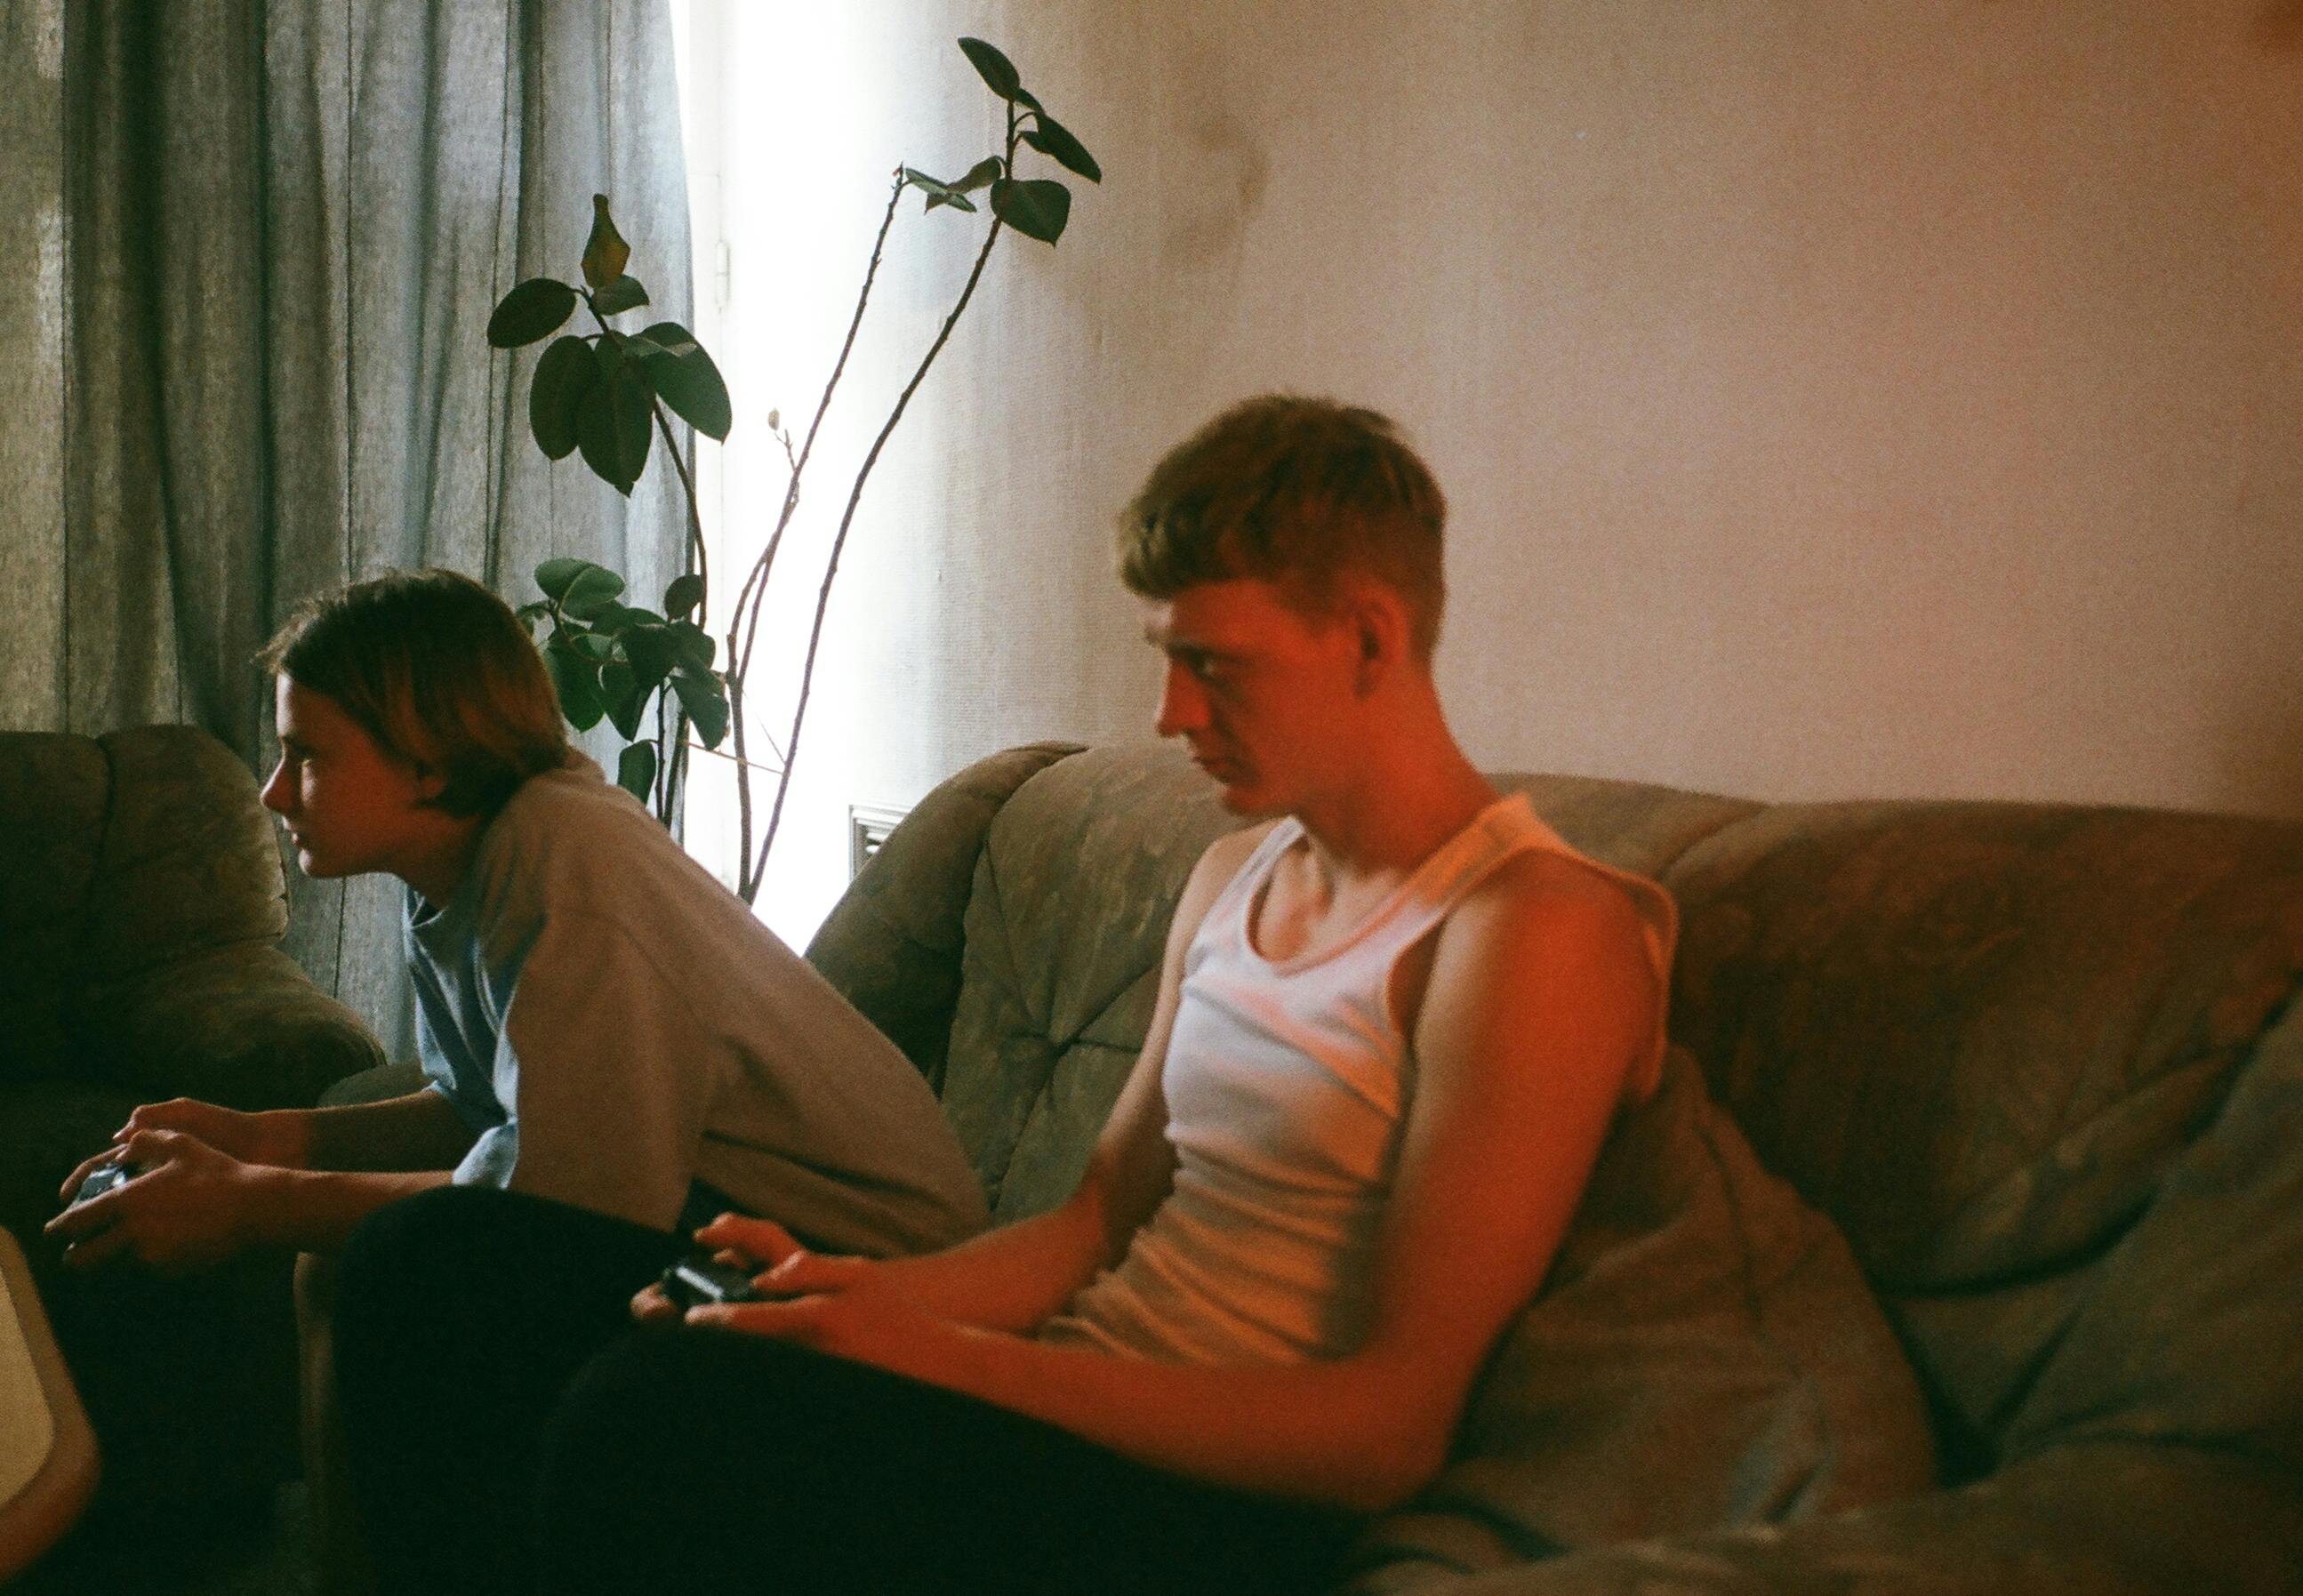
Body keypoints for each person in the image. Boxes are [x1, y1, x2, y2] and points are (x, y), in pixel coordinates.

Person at [331, 398, 1675, 1596]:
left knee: (664, 1417)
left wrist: (921, 1352)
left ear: (1368, 638)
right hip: (1061, 1401)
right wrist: (850, 1289)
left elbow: (1386, 1427)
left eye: (1212, 661)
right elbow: (1094, 1217)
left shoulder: (1529, 930)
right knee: (455, 1267)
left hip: (1216, 1501)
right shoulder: (1229, 877)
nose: (1166, 711)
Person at [38, 570, 986, 1572]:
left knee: (417, 1263)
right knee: (343, 1248)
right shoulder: (453, 867)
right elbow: (475, 1106)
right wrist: (267, 1137)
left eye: (306, 755)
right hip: (708, 1221)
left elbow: (553, 1210)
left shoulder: (565, 860)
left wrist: (254, 1201)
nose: (274, 792)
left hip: (866, 1269)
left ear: (428, 761)